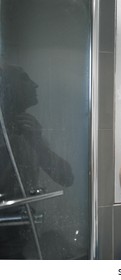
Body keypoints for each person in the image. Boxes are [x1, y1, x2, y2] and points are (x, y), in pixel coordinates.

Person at [0, 64, 74, 259]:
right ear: (6, 87)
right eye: (24, 78)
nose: (35, 85)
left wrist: (37, 143)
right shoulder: (9, 129)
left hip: (18, 232)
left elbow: (67, 178)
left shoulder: (27, 127)